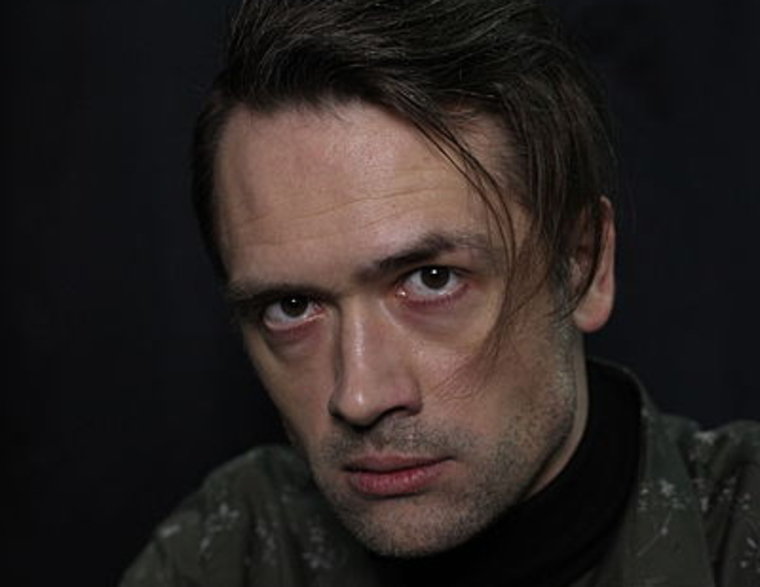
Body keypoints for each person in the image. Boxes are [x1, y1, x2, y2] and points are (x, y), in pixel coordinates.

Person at [120, 0, 760, 585]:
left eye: (431, 279)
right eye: (291, 307)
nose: (360, 395)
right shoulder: (231, 552)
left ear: (583, 265)